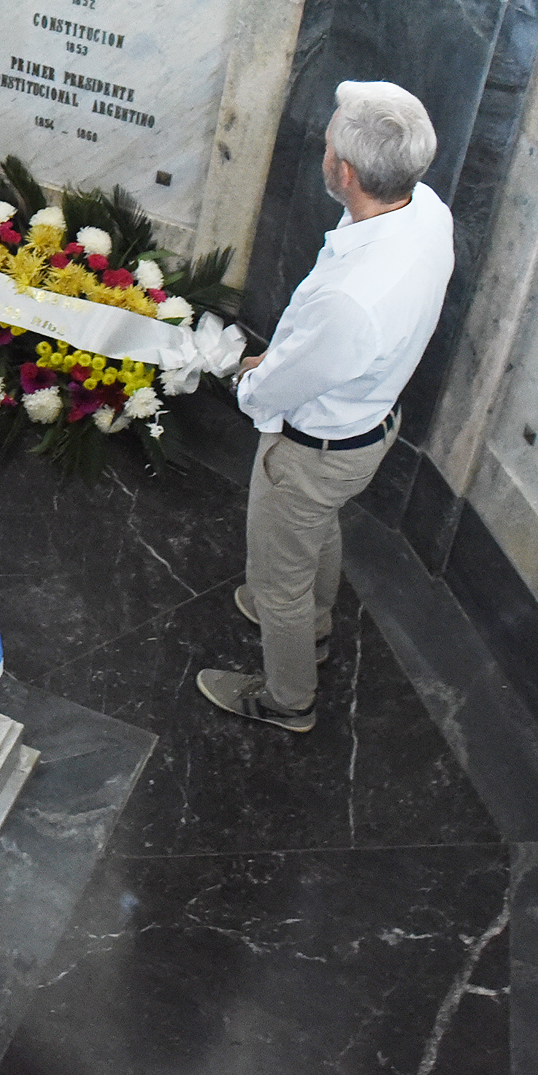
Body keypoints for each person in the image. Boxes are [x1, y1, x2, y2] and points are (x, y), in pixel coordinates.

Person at [197, 81, 454, 733]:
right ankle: (312, 624)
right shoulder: (426, 210)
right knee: (316, 522)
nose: (325, 146)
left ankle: (288, 697)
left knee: (276, 576)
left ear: (345, 172)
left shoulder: (353, 300)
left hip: (313, 446)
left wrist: (246, 380)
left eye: (330, 140)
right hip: (364, 431)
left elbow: (285, 384)